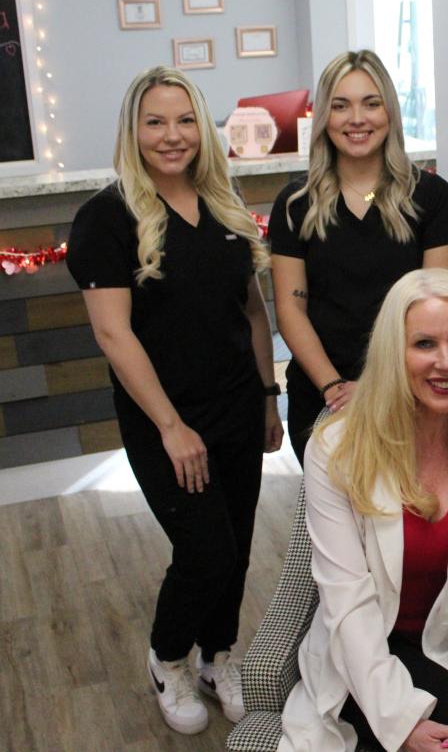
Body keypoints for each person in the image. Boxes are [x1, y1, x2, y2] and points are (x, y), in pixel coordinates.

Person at [66, 66, 284, 735]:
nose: (172, 135)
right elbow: (112, 331)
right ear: (134, 130)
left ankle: (219, 654)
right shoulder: (107, 216)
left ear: (203, 129)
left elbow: (250, 308)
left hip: (238, 407)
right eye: (155, 121)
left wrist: (269, 394)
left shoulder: (223, 202)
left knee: (239, 544)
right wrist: (169, 424)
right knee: (205, 550)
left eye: (185, 120)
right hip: (168, 421)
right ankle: (168, 657)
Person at [278, 268, 448, 752]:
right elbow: (346, 599)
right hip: (359, 653)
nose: (446, 363)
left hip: (442, 647)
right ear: (393, 354)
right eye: (423, 344)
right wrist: (400, 723)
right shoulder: (337, 448)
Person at [270, 50, 448, 466]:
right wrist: (334, 387)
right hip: (323, 398)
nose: (357, 118)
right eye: (341, 105)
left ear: (390, 113)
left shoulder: (431, 196)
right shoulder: (294, 205)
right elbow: (290, 309)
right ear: (324, 117)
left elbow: (437, 307)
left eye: (371, 103)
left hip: (413, 393)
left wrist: (380, 386)